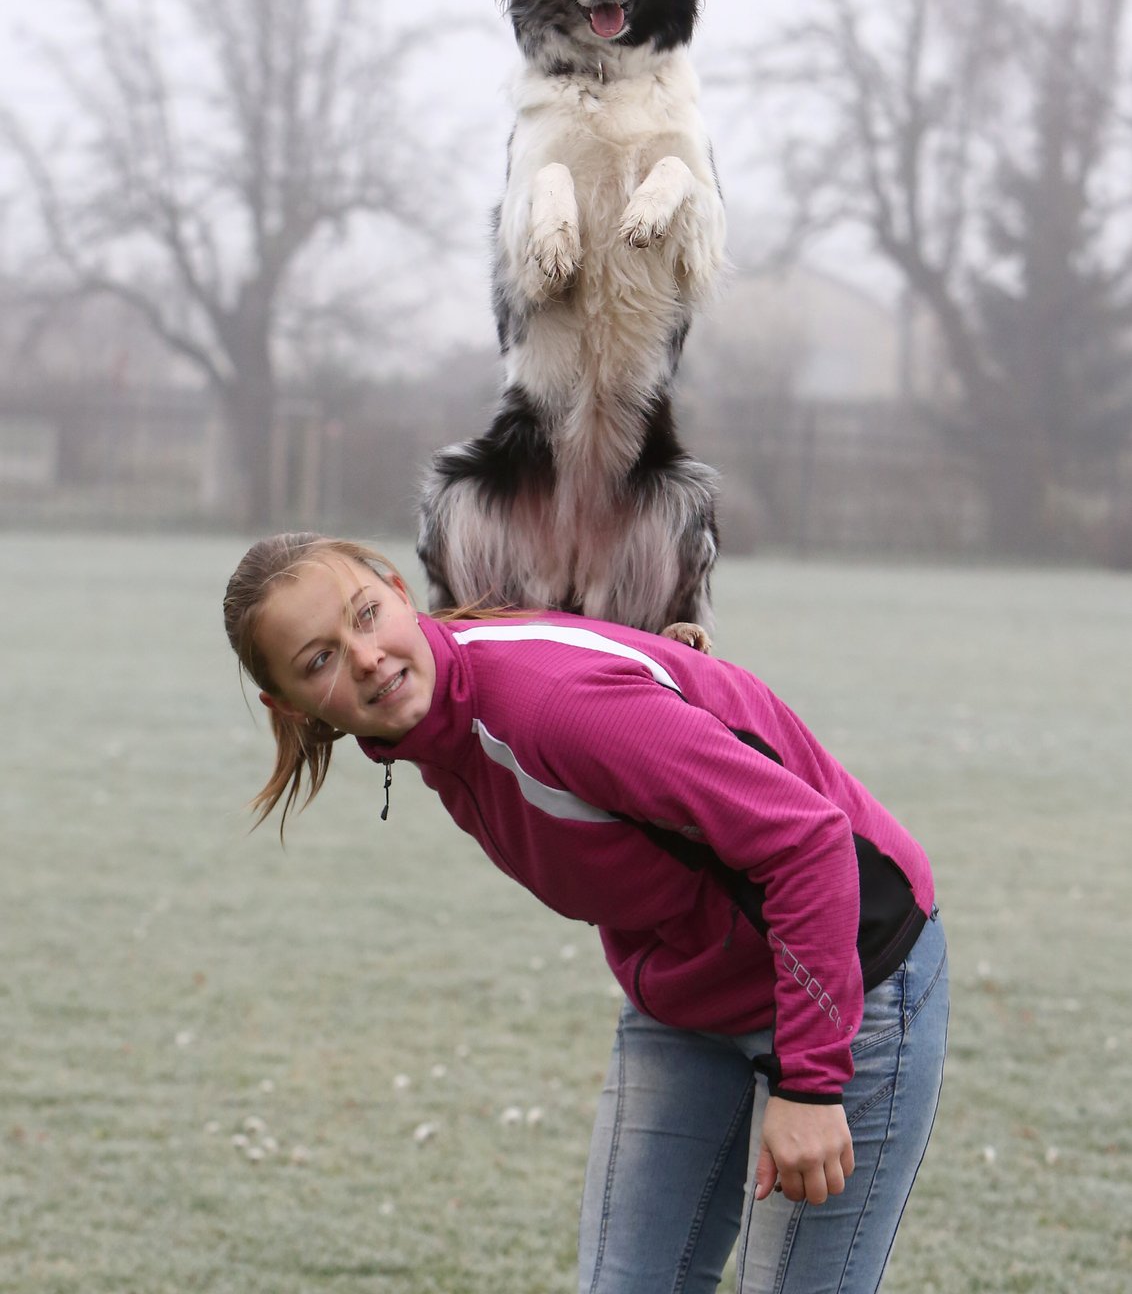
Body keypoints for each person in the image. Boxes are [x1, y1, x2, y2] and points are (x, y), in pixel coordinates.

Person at [223, 532, 949, 1294]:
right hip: (687, 1000)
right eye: (320, 659)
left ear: (399, 591)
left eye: (366, 614)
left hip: (850, 973)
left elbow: (807, 841)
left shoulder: (545, 706)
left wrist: (809, 1084)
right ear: (290, 706)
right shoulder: (435, 728)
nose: (365, 656)